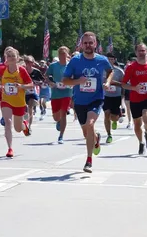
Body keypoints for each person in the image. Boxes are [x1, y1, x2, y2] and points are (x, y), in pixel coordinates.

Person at [62, 32, 113, 173]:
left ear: (95, 44)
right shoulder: (75, 61)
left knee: (90, 124)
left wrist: (107, 82)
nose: (88, 45)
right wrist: (78, 81)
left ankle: (88, 160)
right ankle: (96, 138)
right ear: (81, 44)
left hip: (96, 99)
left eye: (91, 43)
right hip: (79, 101)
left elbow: (110, 71)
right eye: (85, 43)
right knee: (87, 133)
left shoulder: (102, 60)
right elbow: (65, 80)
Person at [122, 43, 147, 155]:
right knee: (137, 125)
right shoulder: (131, 67)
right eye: (139, 51)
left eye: (143, 50)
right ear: (136, 52)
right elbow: (123, 84)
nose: (141, 53)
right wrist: (134, 88)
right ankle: (141, 142)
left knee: (146, 115)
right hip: (135, 99)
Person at [0, 47, 34, 158]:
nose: (11, 58)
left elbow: (31, 84)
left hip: (19, 101)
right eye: (9, 56)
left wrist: (21, 86)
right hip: (6, 100)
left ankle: (24, 125)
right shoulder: (2, 69)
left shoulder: (21, 70)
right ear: (6, 59)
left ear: (17, 58)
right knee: (8, 122)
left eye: (13, 56)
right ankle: (10, 148)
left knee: (18, 129)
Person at [46, 46, 73, 143]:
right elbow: (46, 76)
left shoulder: (70, 65)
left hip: (67, 92)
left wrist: (71, 84)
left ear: (67, 55)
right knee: (56, 116)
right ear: (58, 55)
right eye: (60, 54)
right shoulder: (53, 66)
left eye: (64, 54)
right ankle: (58, 121)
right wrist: (51, 83)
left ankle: (61, 136)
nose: (62, 56)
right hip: (56, 93)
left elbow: (75, 77)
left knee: (64, 113)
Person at [103, 53, 125, 143]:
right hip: (105, 96)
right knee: (106, 114)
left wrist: (113, 83)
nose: (110, 61)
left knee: (114, 117)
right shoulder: (102, 70)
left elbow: (123, 84)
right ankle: (109, 134)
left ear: (114, 60)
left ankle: (116, 119)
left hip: (116, 96)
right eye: (108, 59)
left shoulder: (119, 71)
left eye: (111, 59)